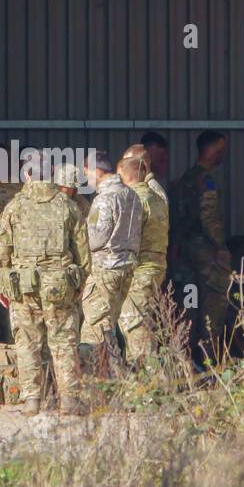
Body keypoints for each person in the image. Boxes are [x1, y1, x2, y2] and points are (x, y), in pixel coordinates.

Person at [0, 166, 90, 415]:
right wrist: (78, 284)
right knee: (63, 341)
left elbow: (2, 251)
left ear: (26, 175)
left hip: (23, 285)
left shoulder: (14, 207)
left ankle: (32, 400)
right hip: (59, 284)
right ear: (51, 175)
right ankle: (69, 399)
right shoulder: (68, 206)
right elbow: (83, 252)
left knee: (27, 342)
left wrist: (1, 286)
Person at [79, 150, 143, 365]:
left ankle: (95, 381)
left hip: (104, 269)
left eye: (86, 172)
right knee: (109, 327)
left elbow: (96, 239)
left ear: (96, 171)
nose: (84, 177)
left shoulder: (103, 199)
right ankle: (115, 373)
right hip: (127, 267)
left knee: (94, 329)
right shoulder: (132, 195)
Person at [170, 131, 231, 338]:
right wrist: (220, 247)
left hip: (185, 248)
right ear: (213, 150)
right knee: (214, 299)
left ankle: (188, 345)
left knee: (189, 300)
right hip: (204, 250)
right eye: (221, 149)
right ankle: (210, 349)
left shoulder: (185, 179)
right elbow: (209, 217)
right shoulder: (205, 181)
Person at [116, 147, 170, 363]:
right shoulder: (155, 195)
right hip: (154, 266)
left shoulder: (137, 198)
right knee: (140, 324)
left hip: (140, 269)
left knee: (136, 326)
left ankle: (151, 385)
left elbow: (127, 237)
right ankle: (140, 383)